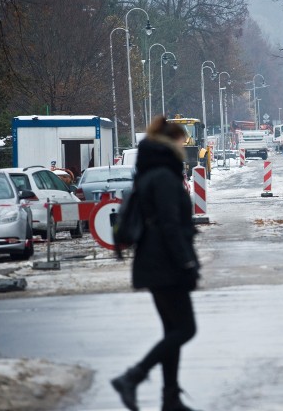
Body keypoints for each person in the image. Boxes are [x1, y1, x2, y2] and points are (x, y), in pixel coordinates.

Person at [111, 115, 201, 411]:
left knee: (172, 332)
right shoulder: (163, 176)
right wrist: (187, 262)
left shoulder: (150, 172)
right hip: (165, 264)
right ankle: (132, 377)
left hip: (154, 261)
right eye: (181, 139)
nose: (183, 145)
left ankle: (170, 398)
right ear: (170, 141)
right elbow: (169, 224)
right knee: (186, 329)